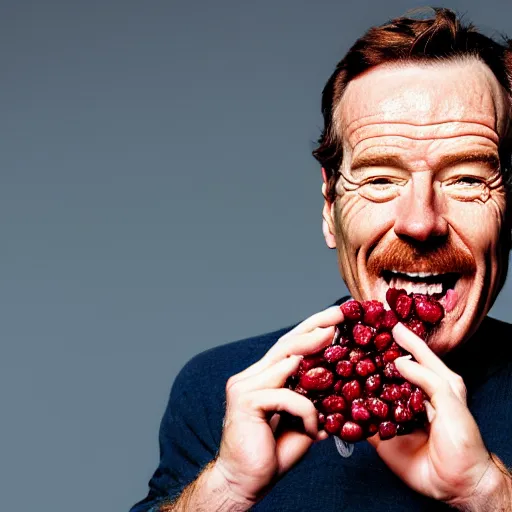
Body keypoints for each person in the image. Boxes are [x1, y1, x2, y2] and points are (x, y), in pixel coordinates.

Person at [130, 8, 512, 511]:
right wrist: (225, 488)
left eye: (466, 178)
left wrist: (488, 493)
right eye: (380, 179)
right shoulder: (216, 389)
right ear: (331, 209)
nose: (421, 222)